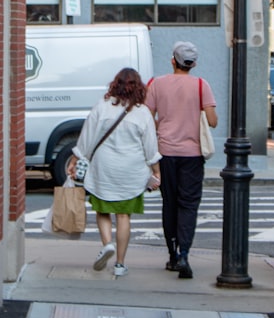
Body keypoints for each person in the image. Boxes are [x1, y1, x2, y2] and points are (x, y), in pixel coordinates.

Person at [67, 67, 162, 278]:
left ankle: (107, 244)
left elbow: (86, 137)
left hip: (104, 168)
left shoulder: (102, 107)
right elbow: (150, 147)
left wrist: (74, 159)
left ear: (115, 85)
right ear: (138, 88)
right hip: (131, 170)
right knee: (123, 215)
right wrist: (156, 171)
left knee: (103, 211)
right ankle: (120, 264)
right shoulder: (143, 113)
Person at [144, 41, 218, 279]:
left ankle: (172, 255)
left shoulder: (156, 84)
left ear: (172, 61)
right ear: (193, 64)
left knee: (169, 203)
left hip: (165, 152)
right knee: (188, 204)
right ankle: (184, 253)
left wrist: (161, 125)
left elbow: (146, 117)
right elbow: (213, 121)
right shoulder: (201, 85)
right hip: (193, 155)